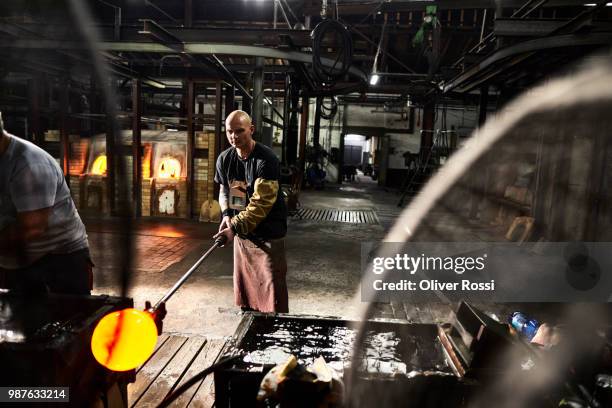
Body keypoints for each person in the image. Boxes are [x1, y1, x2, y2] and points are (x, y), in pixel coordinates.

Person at [0, 112, 93, 295]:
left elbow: (31, 228)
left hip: (58, 260)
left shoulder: (29, 164)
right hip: (16, 260)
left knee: (66, 317)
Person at [213, 110, 288, 313]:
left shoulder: (266, 159)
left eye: (239, 131)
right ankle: (248, 323)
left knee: (271, 290)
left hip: (269, 232)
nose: (234, 137)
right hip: (243, 233)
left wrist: (233, 228)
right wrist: (227, 215)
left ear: (251, 130)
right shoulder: (225, 159)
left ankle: (274, 328)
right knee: (246, 290)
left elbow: (260, 204)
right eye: (229, 131)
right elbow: (224, 190)